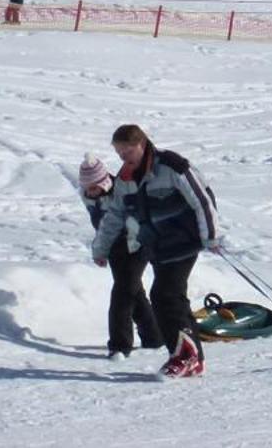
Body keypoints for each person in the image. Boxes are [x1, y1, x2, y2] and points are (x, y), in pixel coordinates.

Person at [92, 124, 219, 378]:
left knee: (164, 295)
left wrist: (211, 236)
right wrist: (101, 248)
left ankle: (183, 356)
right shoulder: (126, 179)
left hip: (185, 240)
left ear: (141, 144)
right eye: (119, 154)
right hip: (157, 246)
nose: (123, 158)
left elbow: (201, 200)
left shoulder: (172, 166)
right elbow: (114, 216)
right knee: (174, 298)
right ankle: (194, 358)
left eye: (127, 151)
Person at [79, 154, 162, 359]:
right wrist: (101, 249)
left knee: (122, 293)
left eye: (94, 186)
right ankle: (154, 337)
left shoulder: (123, 190)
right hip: (114, 246)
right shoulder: (88, 195)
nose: (90, 191)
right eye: (87, 187)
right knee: (133, 291)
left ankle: (119, 346)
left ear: (104, 181)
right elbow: (101, 226)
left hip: (137, 243)